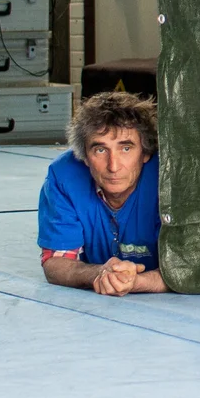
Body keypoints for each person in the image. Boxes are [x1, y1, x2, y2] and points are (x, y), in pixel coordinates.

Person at [38, 91, 168, 295]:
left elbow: (195, 265)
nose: (113, 166)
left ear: (146, 153)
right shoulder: (64, 176)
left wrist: (137, 282)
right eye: (100, 150)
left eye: (126, 149)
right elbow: (56, 263)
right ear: (84, 157)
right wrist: (100, 273)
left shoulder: (169, 177)